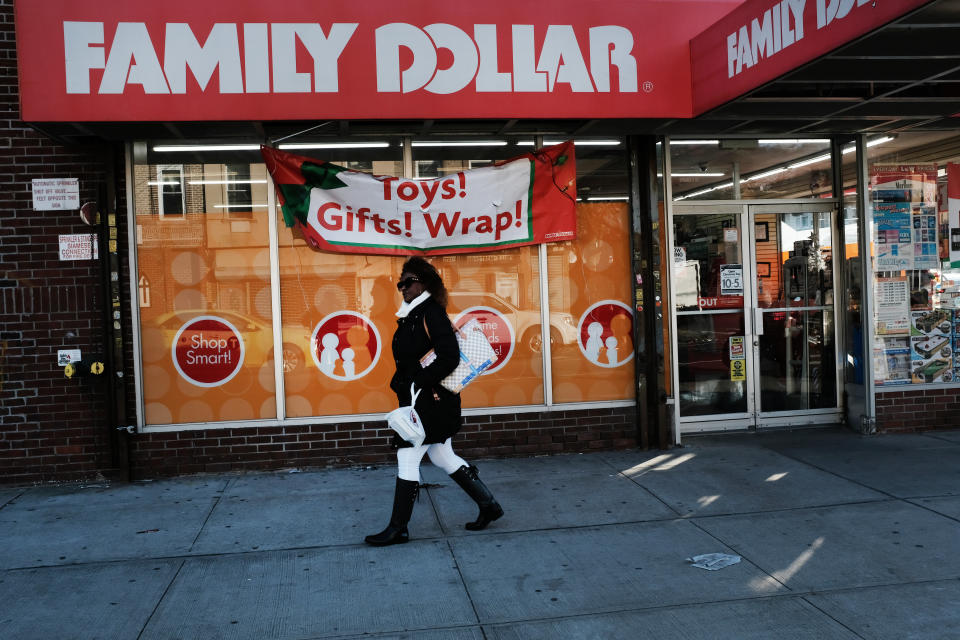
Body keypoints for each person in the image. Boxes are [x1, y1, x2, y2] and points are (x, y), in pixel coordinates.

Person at [365, 256, 504, 546]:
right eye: (400, 282)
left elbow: (450, 357)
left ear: (424, 283)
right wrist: (408, 381)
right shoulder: (412, 315)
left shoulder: (432, 314)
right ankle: (489, 505)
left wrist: (418, 381)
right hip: (424, 400)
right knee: (442, 456)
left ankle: (398, 528)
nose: (402, 287)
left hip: (432, 402)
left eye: (409, 281)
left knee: (407, 454)